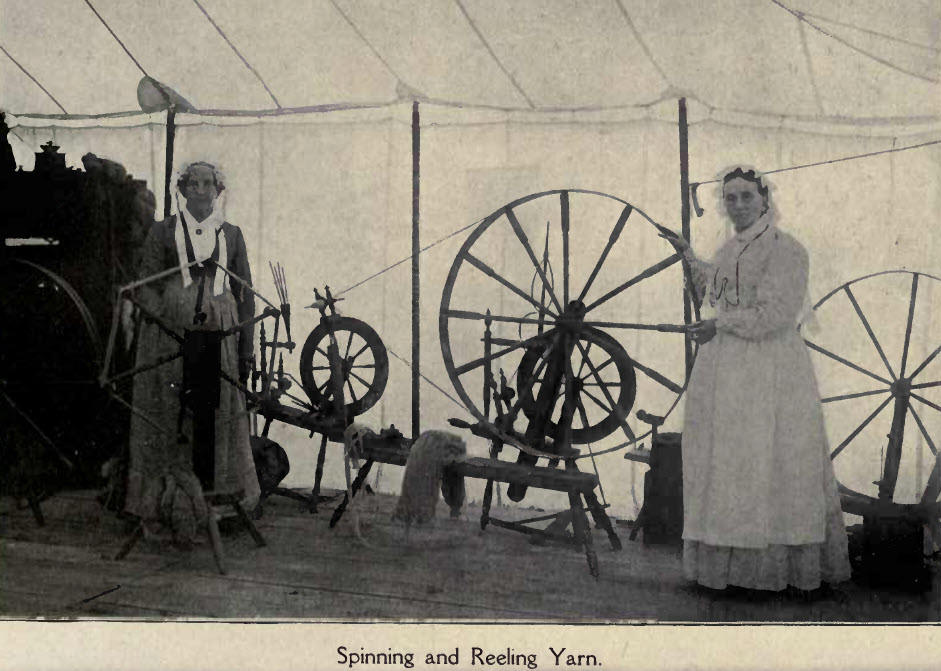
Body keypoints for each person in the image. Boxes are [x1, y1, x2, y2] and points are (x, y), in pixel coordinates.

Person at [663, 167, 851, 593]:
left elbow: (776, 315)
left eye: (747, 196)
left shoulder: (787, 250)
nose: (738, 205)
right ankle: (728, 569)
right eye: (730, 198)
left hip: (770, 370)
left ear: (765, 199)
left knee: (766, 457)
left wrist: (719, 325)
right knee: (729, 460)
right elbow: (717, 289)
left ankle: (772, 570)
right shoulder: (729, 248)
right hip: (726, 367)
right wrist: (688, 256)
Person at [125, 161, 259, 546]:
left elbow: (245, 295)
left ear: (218, 191)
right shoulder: (162, 231)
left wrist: (246, 345)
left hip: (219, 336)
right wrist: (165, 315)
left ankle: (215, 503)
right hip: (170, 336)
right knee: (169, 412)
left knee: (214, 413)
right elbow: (145, 284)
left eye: (208, 183)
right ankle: (166, 501)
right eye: (193, 183)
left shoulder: (232, 235)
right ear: (182, 190)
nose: (200, 190)